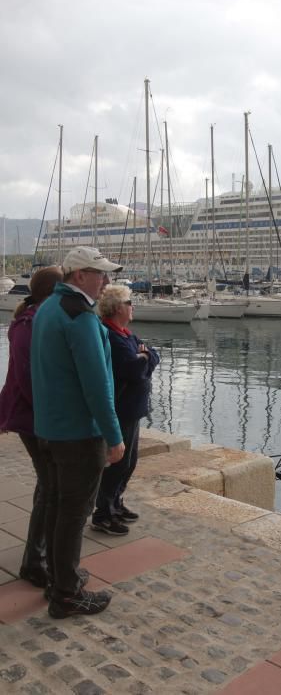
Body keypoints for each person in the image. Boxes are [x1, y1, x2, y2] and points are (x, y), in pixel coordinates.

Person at [31, 246, 125, 619]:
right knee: (73, 513)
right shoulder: (80, 317)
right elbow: (96, 386)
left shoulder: (47, 309)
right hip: (78, 435)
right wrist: (114, 436)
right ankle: (66, 595)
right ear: (79, 275)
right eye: (100, 273)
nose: (106, 280)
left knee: (56, 507)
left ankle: (60, 578)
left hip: (50, 429)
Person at [0, 267, 63, 588]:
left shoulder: (39, 318)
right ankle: (34, 561)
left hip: (38, 416)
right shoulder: (29, 324)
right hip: (34, 419)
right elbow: (27, 381)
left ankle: (37, 556)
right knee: (50, 486)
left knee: (49, 485)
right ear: (54, 292)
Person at [92, 284, 159, 535]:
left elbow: (153, 354)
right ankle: (104, 513)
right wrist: (142, 359)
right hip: (122, 409)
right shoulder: (112, 337)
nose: (133, 307)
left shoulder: (126, 335)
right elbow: (132, 370)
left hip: (134, 408)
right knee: (118, 462)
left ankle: (116, 502)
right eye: (130, 302)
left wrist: (144, 357)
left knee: (129, 462)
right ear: (118, 307)